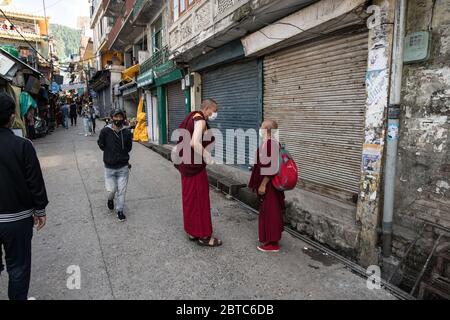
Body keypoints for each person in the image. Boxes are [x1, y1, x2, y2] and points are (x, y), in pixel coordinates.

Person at [0, 93, 48, 300]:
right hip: (17, 219)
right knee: (18, 268)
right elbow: (34, 181)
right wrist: (40, 209)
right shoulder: (23, 145)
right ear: (12, 117)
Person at [174, 99, 222, 247]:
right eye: (214, 110)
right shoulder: (200, 120)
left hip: (185, 165)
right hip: (195, 168)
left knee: (189, 199)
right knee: (200, 201)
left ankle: (192, 231)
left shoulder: (192, 116)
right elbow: (194, 143)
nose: (215, 114)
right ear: (206, 108)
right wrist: (208, 157)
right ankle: (204, 236)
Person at [249, 120, 285, 253]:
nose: (259, 128)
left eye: (261, 127)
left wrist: (263, 184)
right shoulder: (270, 143)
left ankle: (272, 244)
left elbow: (271, 168)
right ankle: (268, 238)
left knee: (271, 212)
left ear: (266, 130)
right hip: (269, 184)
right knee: (268, 211)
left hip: (269, 185)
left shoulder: (271, 144)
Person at [97, 109, 132, 222]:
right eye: (116, 117)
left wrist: (122, 155)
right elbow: (101, 144)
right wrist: (110, 153)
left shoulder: (126, 132)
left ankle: (120, 211)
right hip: (109, 168)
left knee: (121, 191)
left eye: (120, 117)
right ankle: (110, 199)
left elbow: (129, 147)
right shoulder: (105, 131)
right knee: (112, 190)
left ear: (123, 118)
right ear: (112, 118)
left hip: (123, 167)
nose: (118, 119)